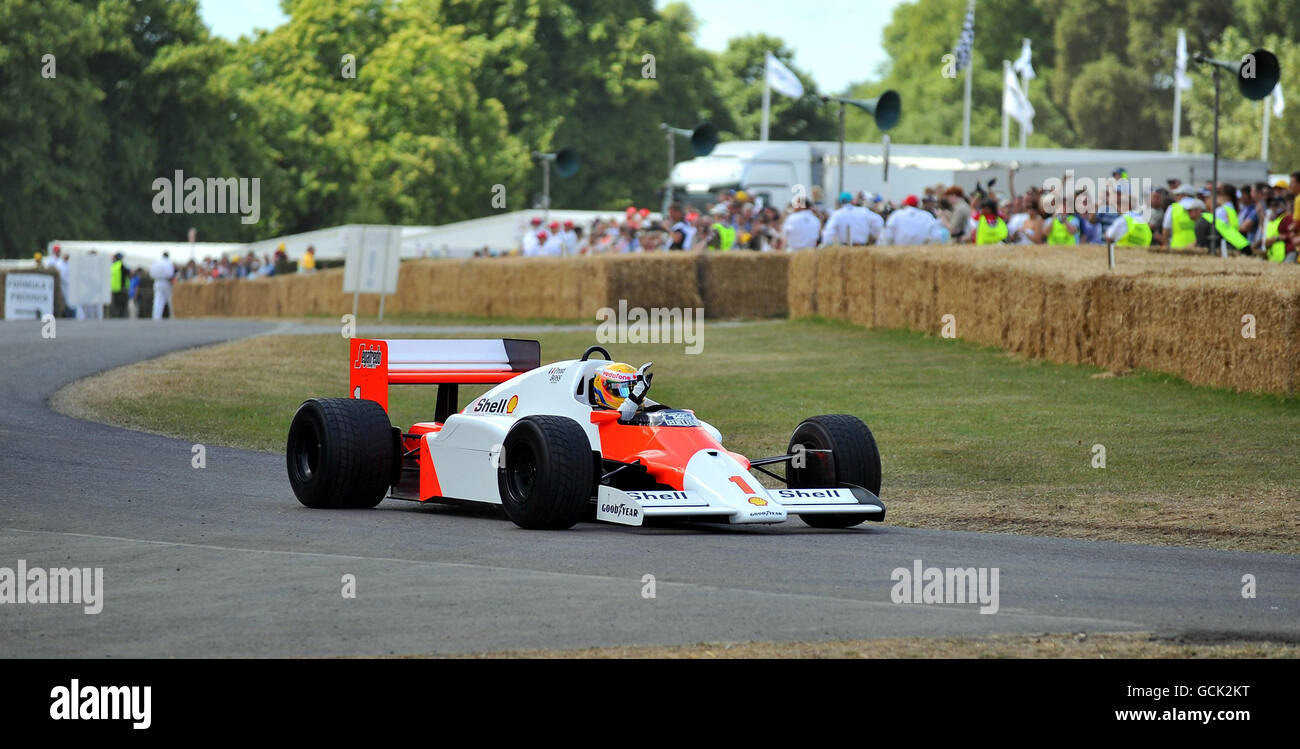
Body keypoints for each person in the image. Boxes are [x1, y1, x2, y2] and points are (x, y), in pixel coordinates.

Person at [149, 251, 176, 319]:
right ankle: (173, 315)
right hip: (166, 282)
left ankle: (156, 316)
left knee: (158, 300)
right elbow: (170, 273)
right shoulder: (168, 263)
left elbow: (151, 273)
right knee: (170, 300)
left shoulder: (156, 262)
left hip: (157, 281)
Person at [109, 252, 129, 318]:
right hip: (122, 288)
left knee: (116, 304)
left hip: (114, 288)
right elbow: (128, 273)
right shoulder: (121, 265)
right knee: (122, 305)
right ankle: (121, 317)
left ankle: (116, 316)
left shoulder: (112, 265)